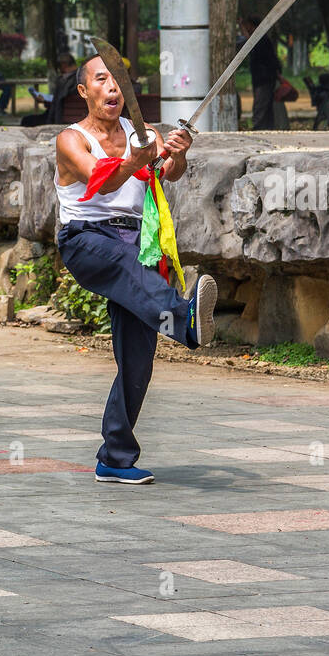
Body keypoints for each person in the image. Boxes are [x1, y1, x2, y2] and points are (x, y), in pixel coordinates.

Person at [54, 48, 217, 485]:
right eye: (102, 80)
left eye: (118, 82)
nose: (112, 88)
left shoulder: (142, 133)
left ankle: (115, 457)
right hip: (86, 239)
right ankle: (185, 321)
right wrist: (136, 160)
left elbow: (170, 173)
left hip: (136, 242)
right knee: (132, 271)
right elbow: (100, 180)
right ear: (84, 91)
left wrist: (176, 153)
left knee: (137, 356)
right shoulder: (71, 139)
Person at [243, 15, 283, 130]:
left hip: (264, 78)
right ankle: (267, 128)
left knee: (261, 105)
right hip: (264, 77)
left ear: (253, 26)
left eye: (247, 25)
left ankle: (258, 128)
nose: (247, 28)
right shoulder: (260, 39)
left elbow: (270, 59)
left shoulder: (260, 40)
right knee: (265, 105)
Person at [21, 53, 77, 127]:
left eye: (58, 66)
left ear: (64, 65)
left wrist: (44, 101)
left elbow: (58, 105)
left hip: (60, 120)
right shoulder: (84, 78)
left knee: (26, 120)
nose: (59, 69)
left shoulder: (64, 81)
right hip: (80, 118)